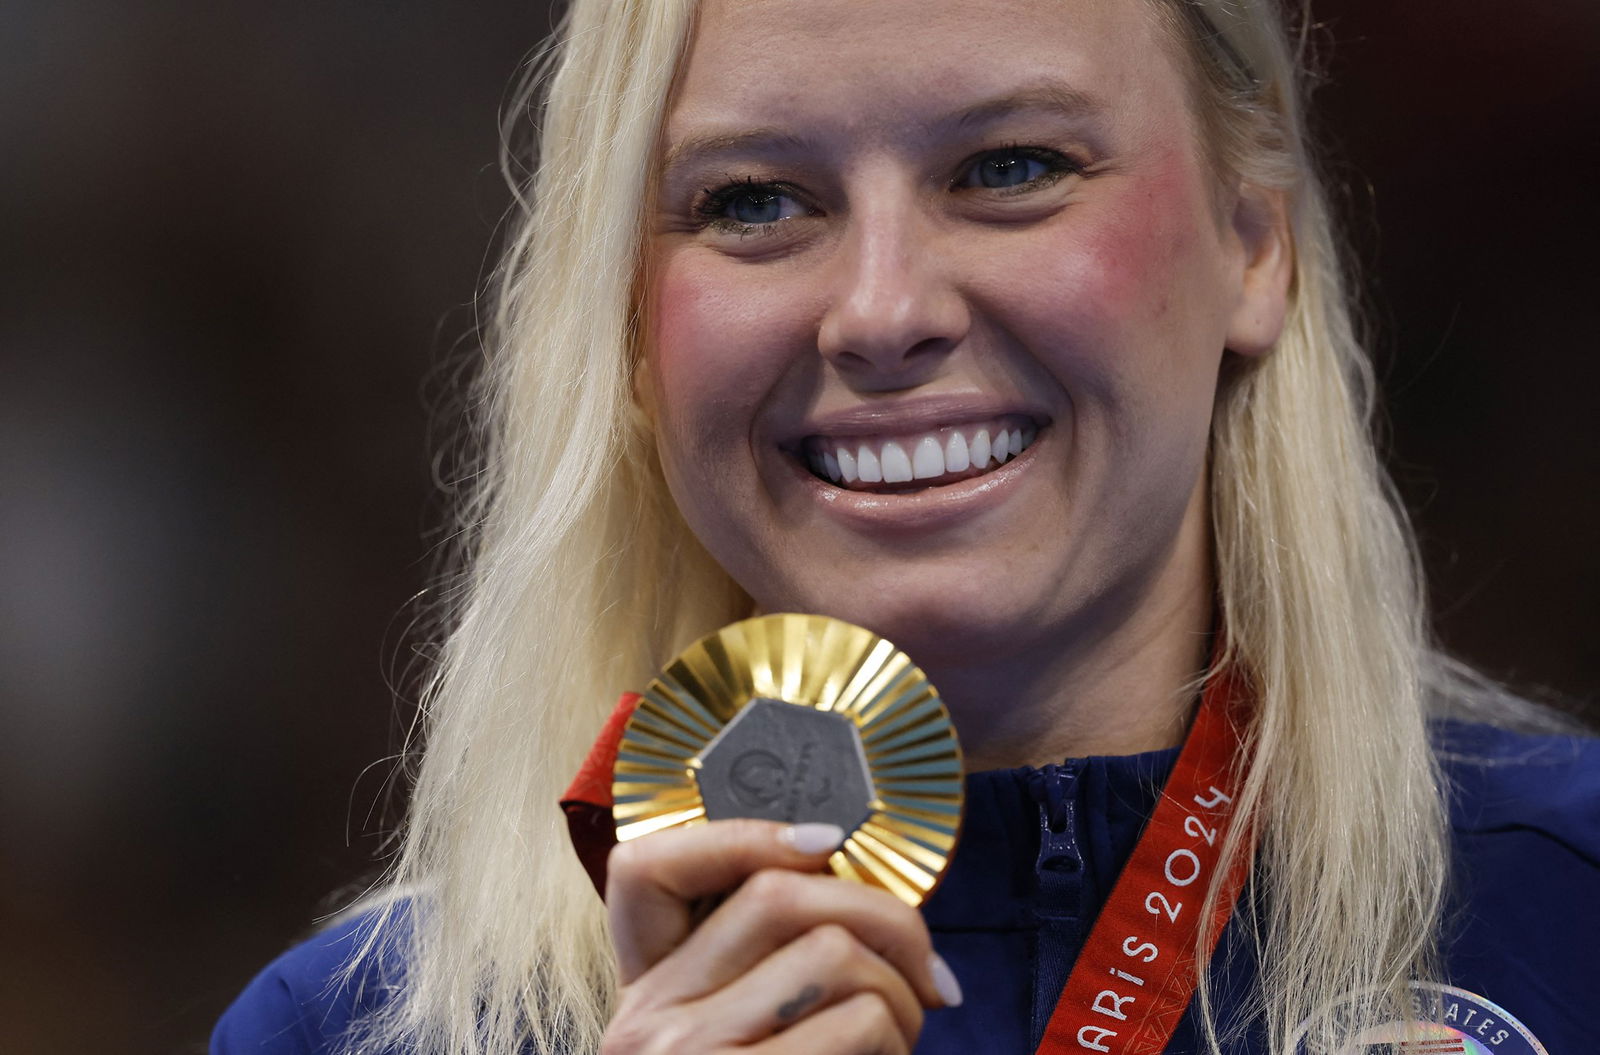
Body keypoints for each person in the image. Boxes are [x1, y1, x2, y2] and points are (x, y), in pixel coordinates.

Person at [212, 0, 1598, 1052]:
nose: (882, 311)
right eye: (753, 202)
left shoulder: (1567, 910)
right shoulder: (354, 1029)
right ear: (630, 326)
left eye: (1009, 167)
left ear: (1254, 243)